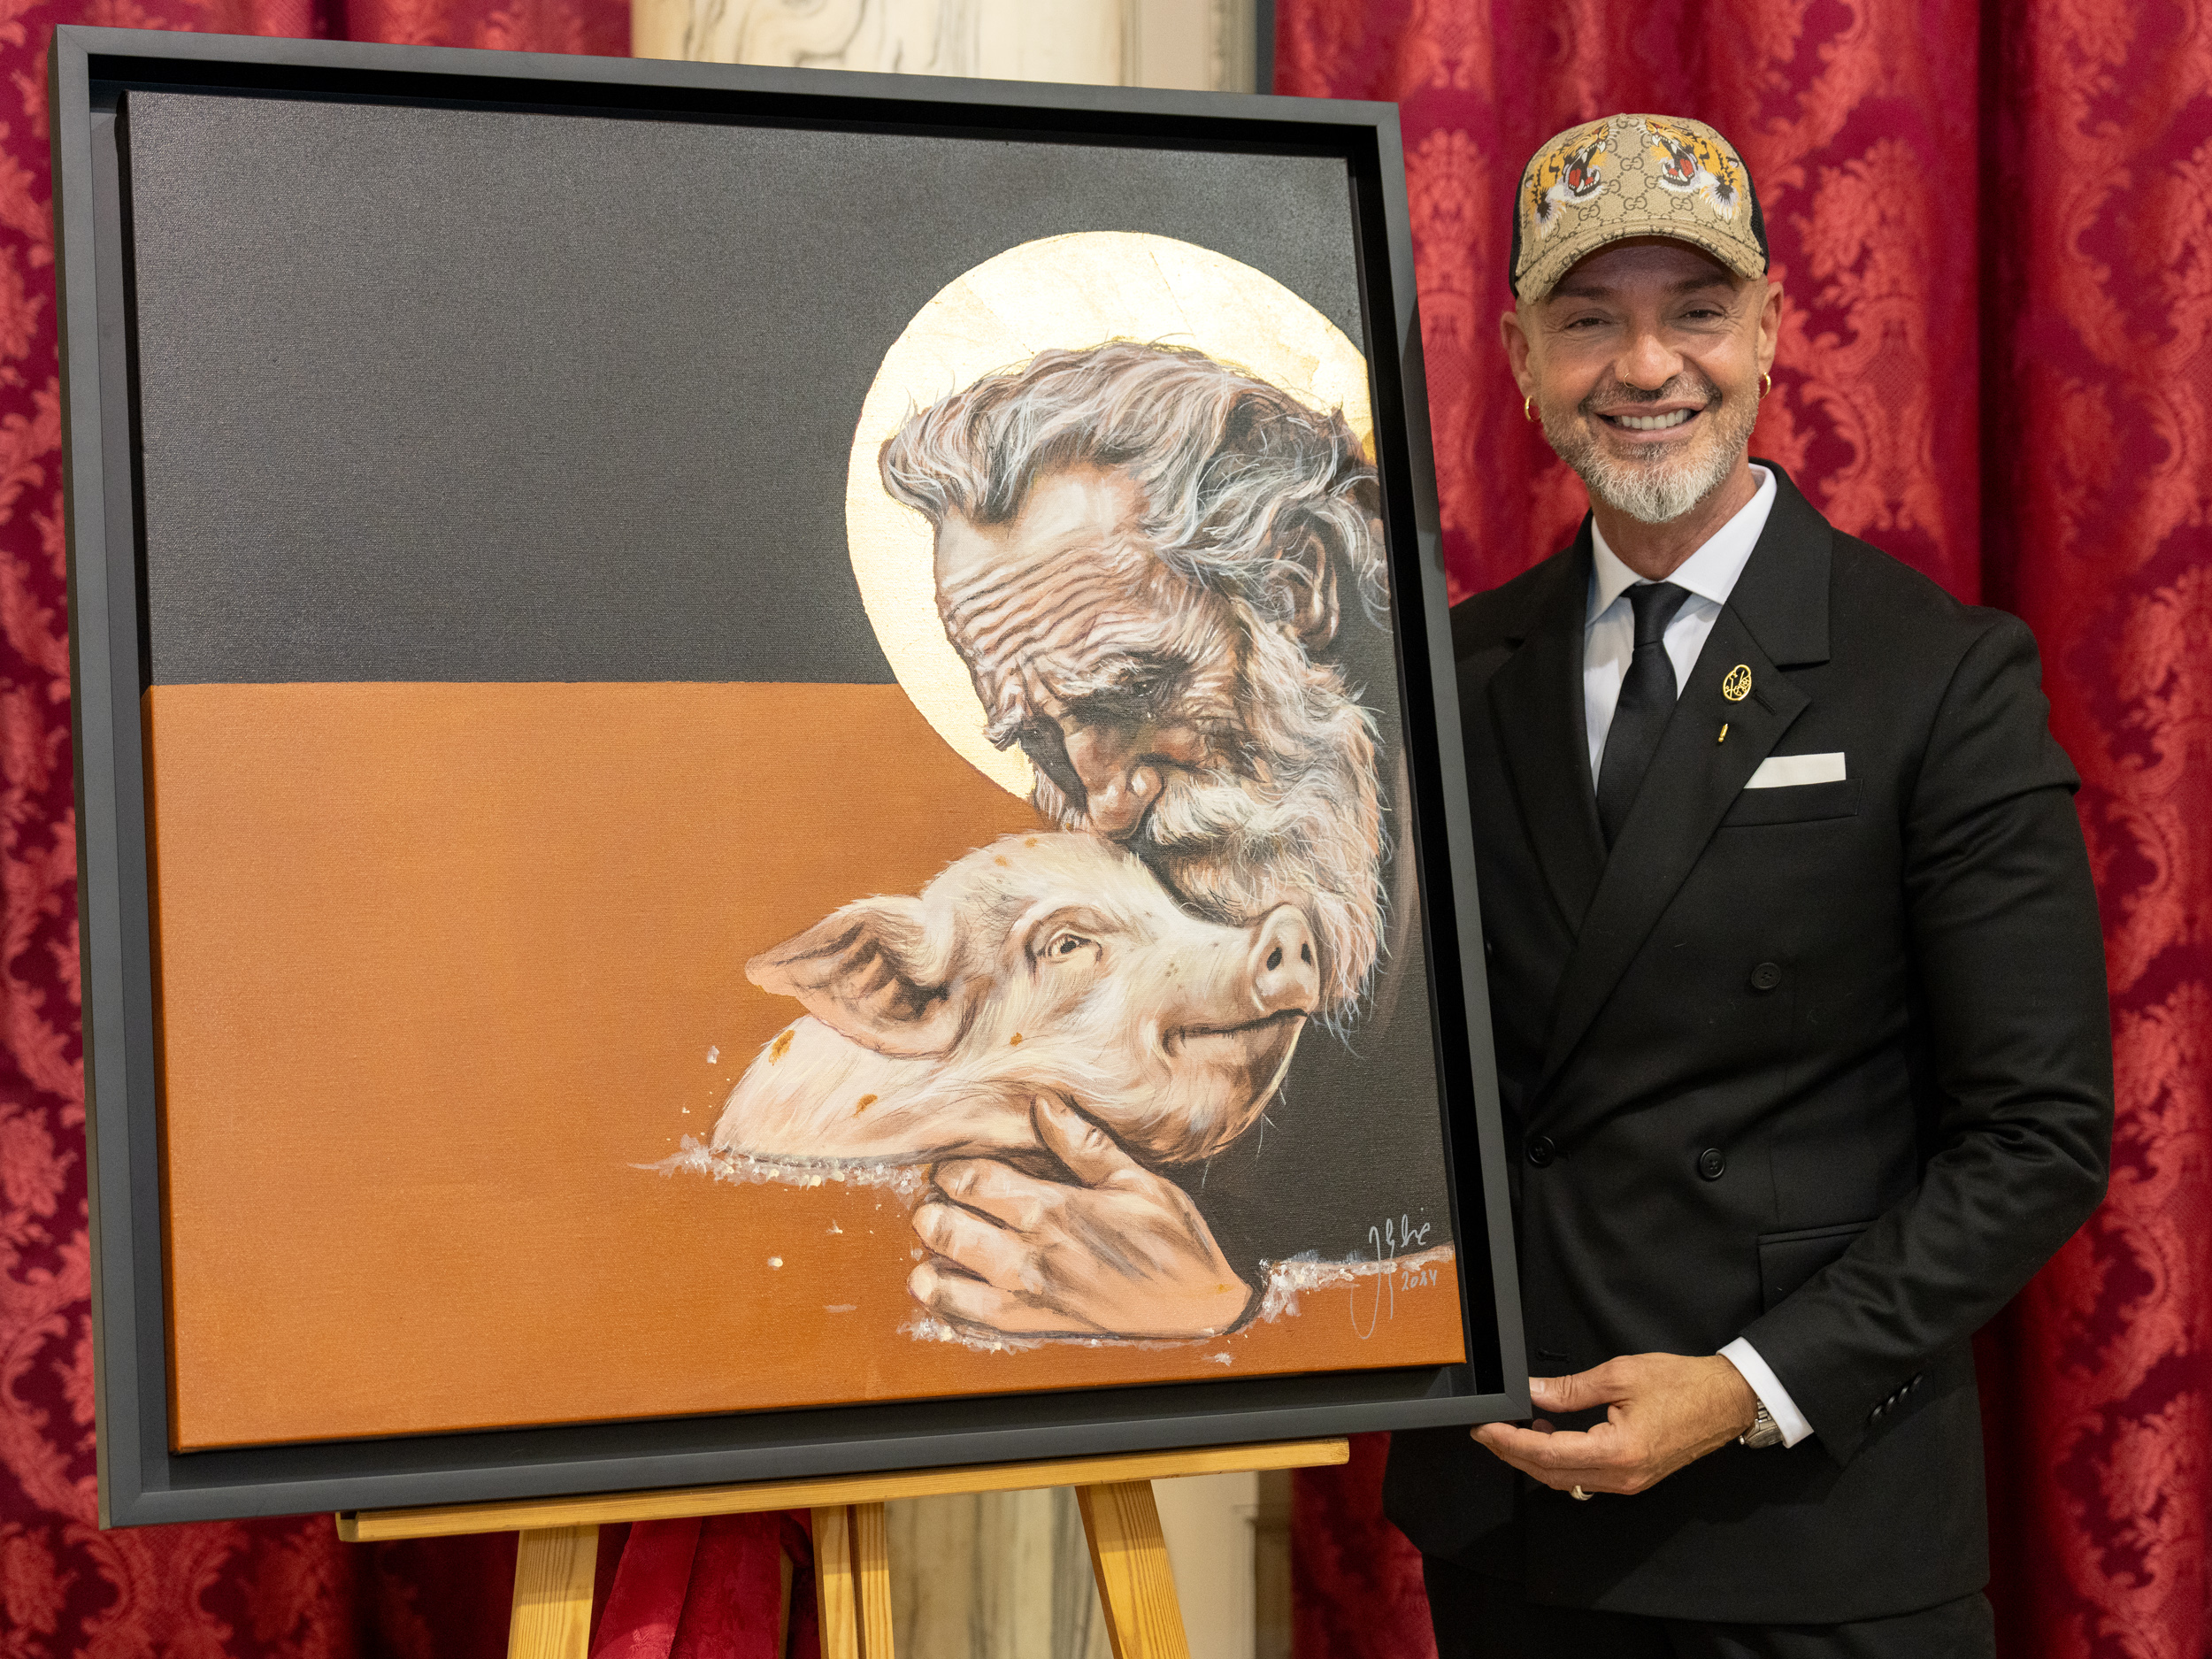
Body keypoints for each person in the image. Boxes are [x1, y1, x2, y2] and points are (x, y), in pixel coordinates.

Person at [1382, 113, 2114, 1655]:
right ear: (1520, 358)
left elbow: (2036, 1139)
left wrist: (1744, 1388)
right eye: (1590, 319)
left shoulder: (1938, 675)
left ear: (1772, 327)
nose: (1646, 367)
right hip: (1514, 1513)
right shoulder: (1450, 671)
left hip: (1811, 1533)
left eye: (1696, 312)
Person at [875, 341, 1457, 1337]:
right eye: (1044, 741)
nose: (1105, 803)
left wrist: (1234, 1314)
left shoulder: (1499, 816)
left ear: (1296, 585)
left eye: (1135, 693)